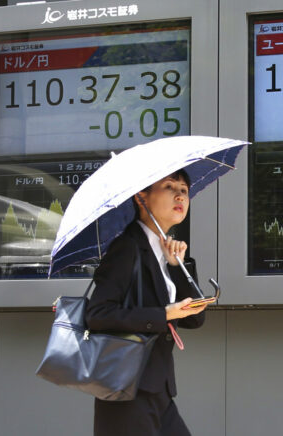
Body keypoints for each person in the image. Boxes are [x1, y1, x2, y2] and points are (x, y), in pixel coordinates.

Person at [86, 169, 209, 436]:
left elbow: (195, 318)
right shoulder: (127, 247)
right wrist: (163, 314)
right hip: (127, 389)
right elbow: (98, 314)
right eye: (168, 186)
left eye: (184, 190)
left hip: (157, 388)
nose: (180, 195)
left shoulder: (165, 251)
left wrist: (177, 265)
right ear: (142, 198)